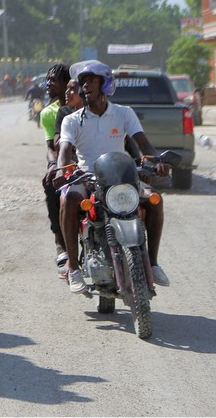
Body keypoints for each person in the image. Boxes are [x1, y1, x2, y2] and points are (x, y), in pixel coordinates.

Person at [57, 60, 171, 294]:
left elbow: (144, 145)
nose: (86, 86)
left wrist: (157, 162)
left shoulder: (123, 114)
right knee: (69, 200)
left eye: (92, 81)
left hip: (120, 178)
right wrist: (62, 171)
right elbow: (64, 151)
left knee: (154, 199)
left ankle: (153, 262)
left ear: (105, 84)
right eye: (83, 82)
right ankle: (75, 268)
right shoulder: (71, 120)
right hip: (87, 178)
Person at [38, 63, 72, 273]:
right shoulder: (49, 113)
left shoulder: (82, 108)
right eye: (48, 80)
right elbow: (52, 147)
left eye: (54, 80)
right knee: (51, 186)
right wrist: (54, 166)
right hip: (63, 162)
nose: (48, 84)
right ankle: (60, 241)